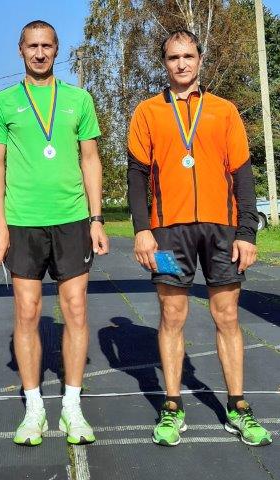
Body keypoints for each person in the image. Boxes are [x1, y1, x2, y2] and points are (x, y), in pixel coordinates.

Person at [127, 29, 272, 447]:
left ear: (200, 59)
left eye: (188, 56)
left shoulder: (224, 111)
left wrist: (246, 232)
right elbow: (137, 175)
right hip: (167, 234)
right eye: (173, 57)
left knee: (227, 316)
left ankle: (238, 406)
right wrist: (142, 230)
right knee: (172, 315)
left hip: (221, 231)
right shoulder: (148, 112)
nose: (181, 64)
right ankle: (172, 407)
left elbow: (242, 174)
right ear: (164, 63)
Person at [0, 20, 109, 447]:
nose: (39, 53)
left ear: (57, 50)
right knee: (27, 313)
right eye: (32, 46)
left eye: (47, 46)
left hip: (72, 220)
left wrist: (96, 218)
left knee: (76, 311)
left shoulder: (78, 99)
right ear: (20, 50)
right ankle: (34, 408)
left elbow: (90, 159)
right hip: (22, 222)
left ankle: (72, 407)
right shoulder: (3, 102)